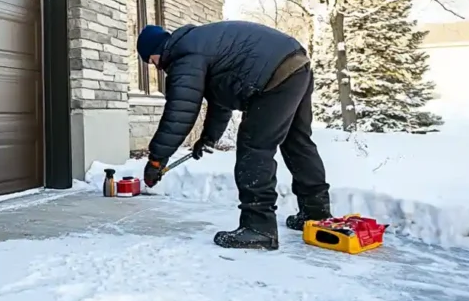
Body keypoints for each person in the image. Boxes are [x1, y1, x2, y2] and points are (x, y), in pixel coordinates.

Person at [136, 20, 332, 250]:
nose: (156, 66)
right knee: (297, 142)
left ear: (156, 51)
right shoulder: (198, 44)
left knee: (254, 147)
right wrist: (208, 137)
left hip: (272, 75)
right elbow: (220, 100)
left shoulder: (184, 55)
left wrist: (157, 159)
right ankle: (315, 214)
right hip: (295, 64)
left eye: (151, 61)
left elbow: (179, 114)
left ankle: (258, 228)